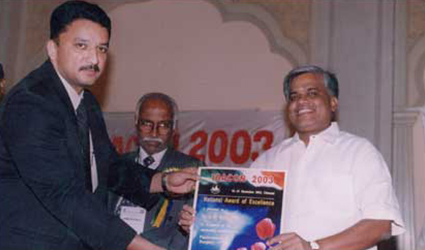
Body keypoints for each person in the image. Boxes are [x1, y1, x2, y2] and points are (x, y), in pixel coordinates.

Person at [0, 1, 197, 250]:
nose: (94, 59)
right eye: (81, 45)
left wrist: (164, 182)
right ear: (53, 48)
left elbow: (110, 167)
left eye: (102, 49)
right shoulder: (31, 103)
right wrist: (143, 247)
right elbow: (63, 195)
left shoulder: (85, 101)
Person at [179, 65, 404, 250]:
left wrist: (313, 247)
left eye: (312, 93)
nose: (301, 101)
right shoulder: (267, 160)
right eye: (294, 96)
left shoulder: (360, 152)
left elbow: (381, 224)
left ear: (333, 102)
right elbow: (245, 228)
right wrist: (205, 226)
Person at [111, 92, 204, 250]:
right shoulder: (116, 165)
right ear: (136, 123)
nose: (154, 133)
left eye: (163, 125)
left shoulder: (192, 169)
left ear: (174, 128)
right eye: (147, 123)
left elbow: (199, 229)